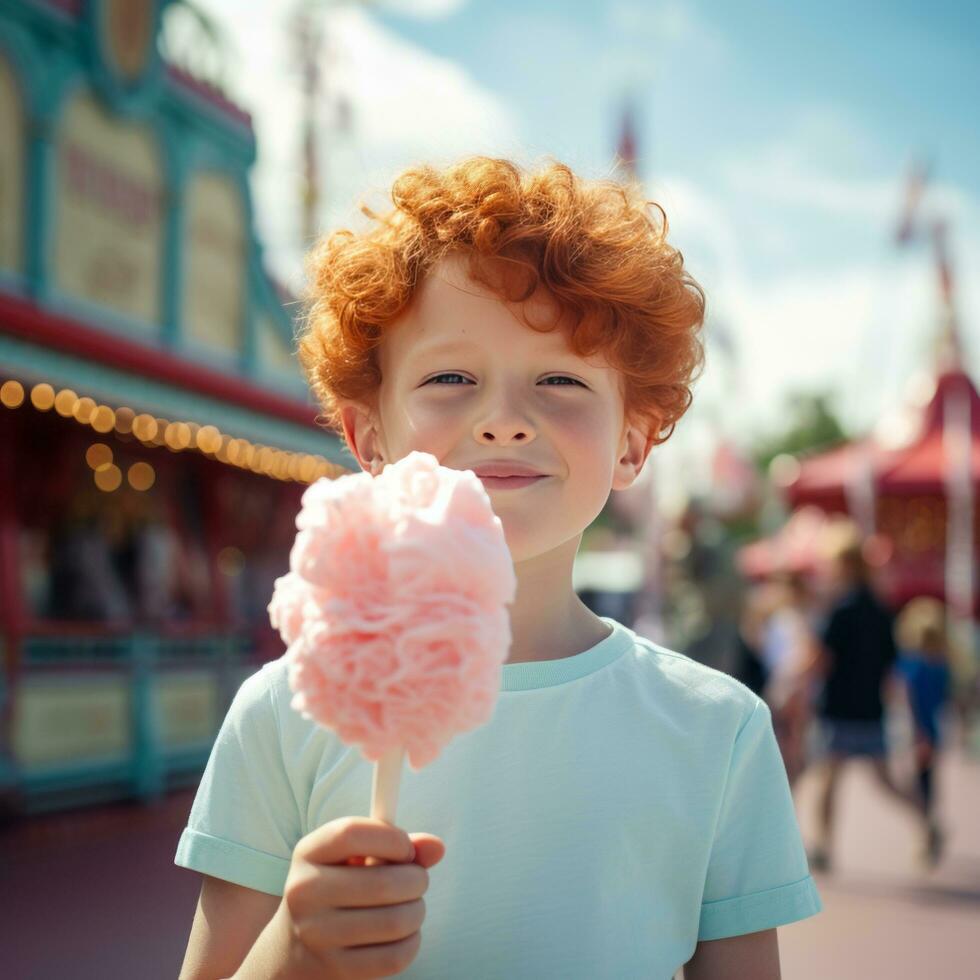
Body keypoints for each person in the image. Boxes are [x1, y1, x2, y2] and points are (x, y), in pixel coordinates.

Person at [174, 157, 821, 979]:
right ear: (368, 435)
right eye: (450, 378)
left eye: (560, 379)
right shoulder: (283, 711)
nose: (506, 421)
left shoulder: (717, 730)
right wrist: (292, 951)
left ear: (632, 440)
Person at [807, 525, 929, 873]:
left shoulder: (840, 610)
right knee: (883, 780)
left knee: (829, 780)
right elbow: (893, 668)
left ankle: (823, 846)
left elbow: (822, 658)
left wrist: (797, 687)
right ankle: (924, 819)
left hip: (840, 706)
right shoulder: (880, 608)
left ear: (843, 565)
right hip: (870, 707)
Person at [894, 596, 952, 866]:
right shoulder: (941, 664)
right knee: (927, 784)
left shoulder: (913, 663)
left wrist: (916, 732)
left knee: (917, 786)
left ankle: (928, 833)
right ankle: (929, 829)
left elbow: (905, 697)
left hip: (917, 731)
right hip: (933, 729)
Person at [759, 572, 818, 789]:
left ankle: (792, 790)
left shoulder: (795, 619)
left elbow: (807, 655)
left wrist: (792, 684)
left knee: (790, 746)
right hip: (784, 685)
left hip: (791, 686)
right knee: (786, 744)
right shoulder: (781, 617)